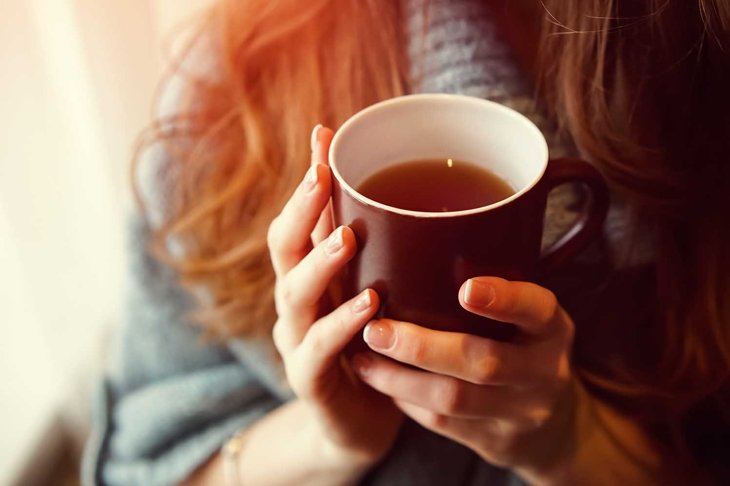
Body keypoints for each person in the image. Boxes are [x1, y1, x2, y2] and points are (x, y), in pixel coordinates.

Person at [82, 0, 730, 484]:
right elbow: (139, 465)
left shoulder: (701, 69)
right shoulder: (234, 84)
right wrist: (328, 440)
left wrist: (573, 443)